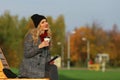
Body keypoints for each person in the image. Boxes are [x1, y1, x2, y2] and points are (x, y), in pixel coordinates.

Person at [18, 14, 59, 80]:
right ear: (38, 25)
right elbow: (27, 54)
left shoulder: (47, 37)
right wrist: (39, 46)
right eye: (43, 22)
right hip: (30, 69)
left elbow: (47, 55)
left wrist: (49, 61)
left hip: (41, 68)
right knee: (51, 71)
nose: (46, 23)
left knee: (53, 67)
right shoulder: (30, 35)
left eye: (46, 21)